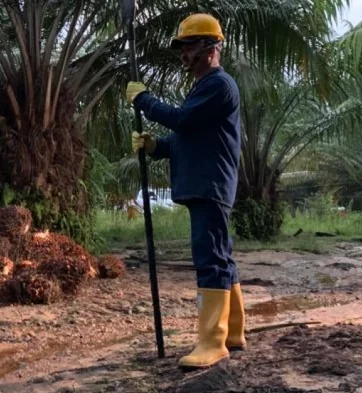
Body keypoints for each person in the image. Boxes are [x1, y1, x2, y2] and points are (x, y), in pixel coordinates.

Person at [125, 13, 245, 370]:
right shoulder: (203, 89)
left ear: (210, 48)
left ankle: (212, 342)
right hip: (205, 183)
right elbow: (183, 138)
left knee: (209, 259)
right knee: (221, 256)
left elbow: (180, 119)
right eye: (182, 46)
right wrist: (154, 147)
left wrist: (144, 100)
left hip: (210, 185)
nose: (183, 54)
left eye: (189, 46)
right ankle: (233, 333)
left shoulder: (218, 85)